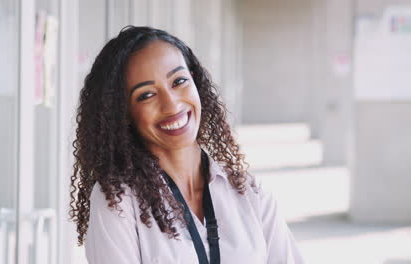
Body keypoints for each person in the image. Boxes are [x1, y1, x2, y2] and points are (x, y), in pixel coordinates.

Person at [69, 26, 304, 264]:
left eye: (179, 81)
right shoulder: (117, 201)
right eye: (147, 95)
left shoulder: (249, 192)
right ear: (125, 113)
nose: (171, 105)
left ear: (194, 80)